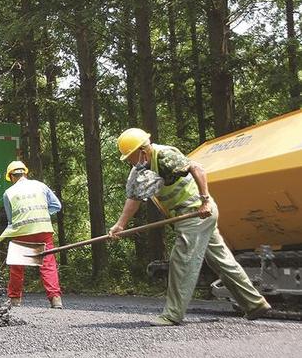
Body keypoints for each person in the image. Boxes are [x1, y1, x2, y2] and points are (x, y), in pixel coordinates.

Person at [109, 128, 272, 326]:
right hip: (188, 215)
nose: (129, 160)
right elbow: (134, 197)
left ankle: (172, 314)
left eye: (130, 156)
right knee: (221, 261)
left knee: (181, 260)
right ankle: (254, 303)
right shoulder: (140, 170)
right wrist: (120, 225)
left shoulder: (165, 156)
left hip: (196, 212)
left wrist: (205, 201)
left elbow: (198, 169)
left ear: (142, 150)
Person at [0, 161, 63, 308]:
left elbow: (11, 220)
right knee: (48, 264)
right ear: (25, 173)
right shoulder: (41, 185)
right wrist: (44, 213)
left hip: (22, 231)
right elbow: (57, 206)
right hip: (43, 229)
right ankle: (55, 299)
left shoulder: (8, 193)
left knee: (17, 266)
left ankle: (14, 299)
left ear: (11, 176)